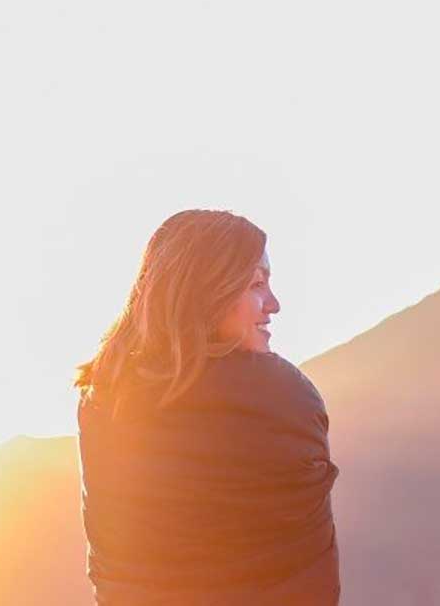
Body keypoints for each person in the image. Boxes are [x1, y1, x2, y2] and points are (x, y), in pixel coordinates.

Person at [74, 209, 340, 605]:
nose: (274, 304)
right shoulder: (285, 397)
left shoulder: (105, 399)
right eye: (257, 284)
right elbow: (310, 576)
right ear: (211, 291)